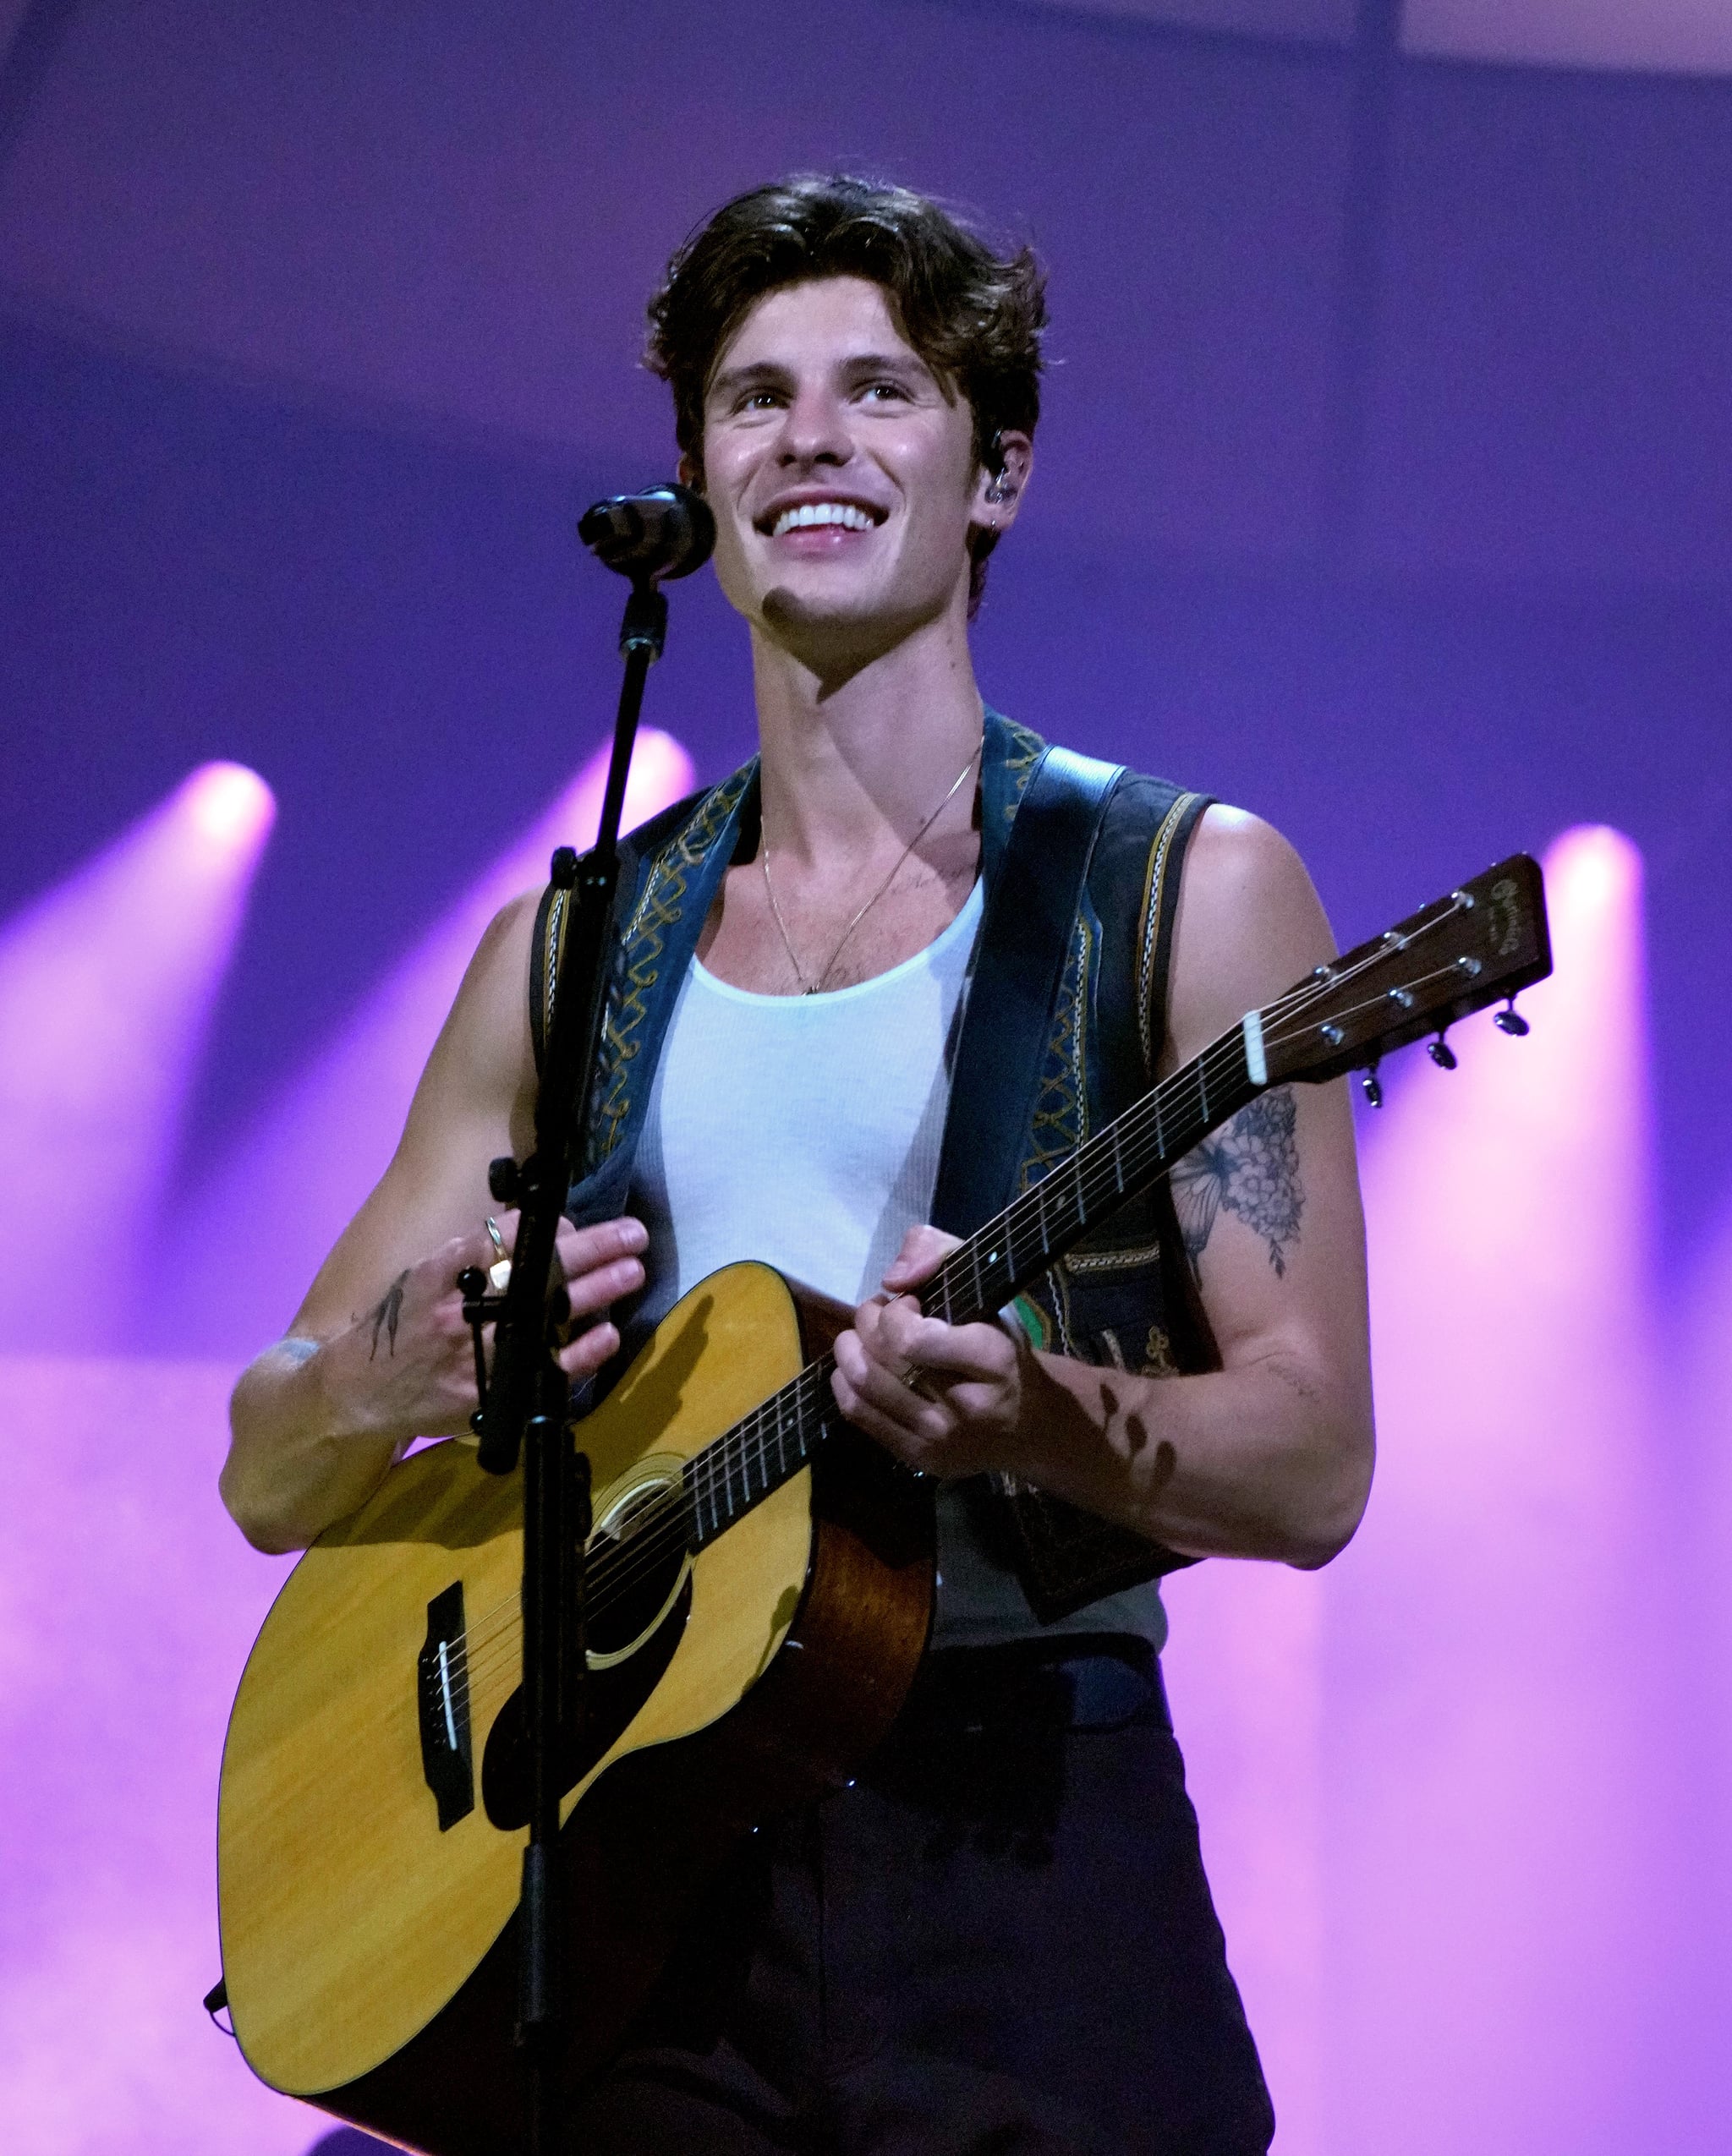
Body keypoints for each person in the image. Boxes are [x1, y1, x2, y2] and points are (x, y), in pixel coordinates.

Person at [222, 174, 1373, 2156]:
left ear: (993, 470)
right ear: (696, 477)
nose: (811, 438)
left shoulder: (1185, 888)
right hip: (634, 1856)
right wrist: (383, 1380)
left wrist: (1037, 1414)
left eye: (881, 392)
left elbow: (1313, 1461)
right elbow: (265, 1466)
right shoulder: (575, 945)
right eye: (753, 400)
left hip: (1019, 1837)